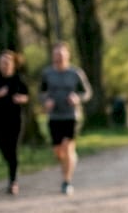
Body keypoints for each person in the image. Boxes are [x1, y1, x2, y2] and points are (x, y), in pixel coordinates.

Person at [40, 41, 94, 195]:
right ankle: (69, 162)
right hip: (54, 116)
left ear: (68, 55)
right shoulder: (47, 73)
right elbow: (41, 93)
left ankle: (66, 181)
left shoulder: (76, 73)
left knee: (67, 146)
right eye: (56, 55)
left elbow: (88, 92)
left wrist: (78, 98)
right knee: (58, 151)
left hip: (71, 116)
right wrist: (45, 101)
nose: (59, 58)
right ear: (53, 57)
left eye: (62, 55)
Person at [0, 50, 31, 195]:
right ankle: (11, 164)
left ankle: (13, 182)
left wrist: (20, 99)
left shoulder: (18, 80)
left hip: (15, 120)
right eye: (2, 62)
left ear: (13, 64)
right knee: (5, 150)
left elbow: (27, 97)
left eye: (7, 62)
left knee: (13, 150)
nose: (5, 65)